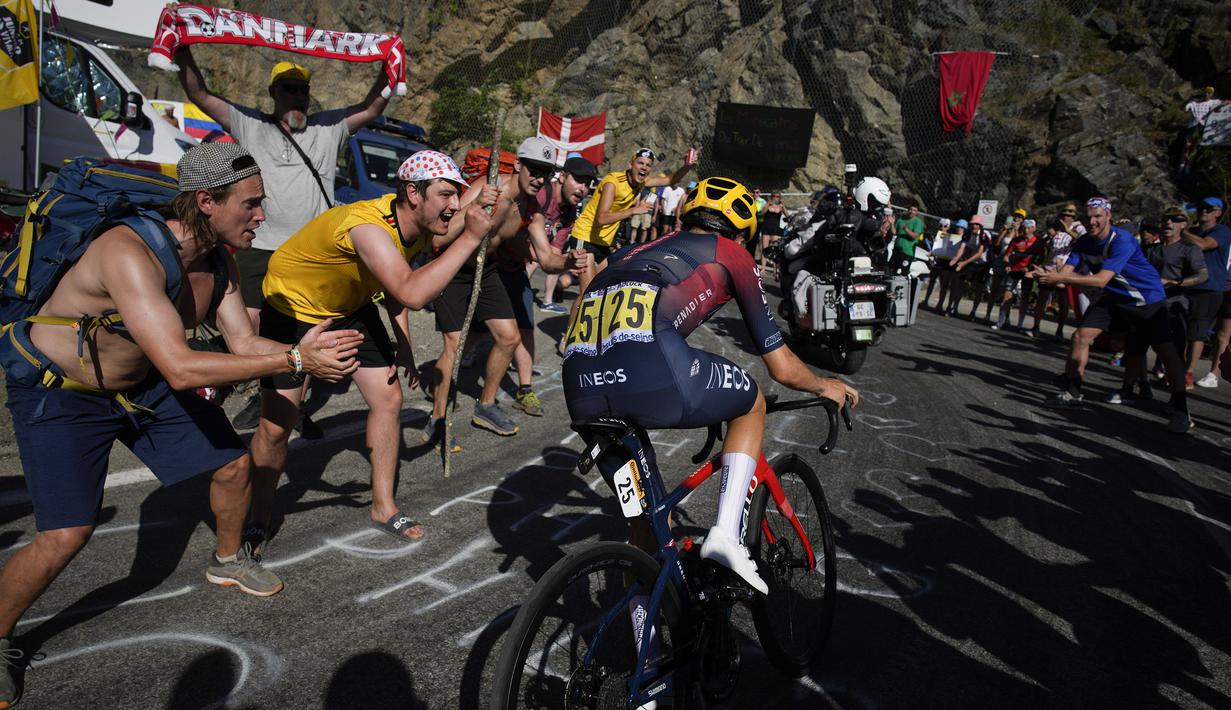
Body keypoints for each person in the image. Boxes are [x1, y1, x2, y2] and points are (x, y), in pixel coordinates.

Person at [0, 143, 367, 705]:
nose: (261, 215)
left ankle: (228, 561)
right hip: (64, 393)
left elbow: (242, 343)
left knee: (233, 466)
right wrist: (296, 360)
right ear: (206, 202)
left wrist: (306, 351)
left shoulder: (218, 261)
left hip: (140, 385)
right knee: (65, 534)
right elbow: (181, 366)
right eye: (250, 203)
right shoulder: (128, 251)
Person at [563, 176, 859, 596]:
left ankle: (644, 636)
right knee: (751, 402)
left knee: (649, 530)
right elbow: (781, 367)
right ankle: (727, 536)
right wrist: (822, 385)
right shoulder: (732, 252)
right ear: (741, 233)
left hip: (581, 384)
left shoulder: (630, 251)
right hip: (655, 373)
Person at [249, 150, 498, 549]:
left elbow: (393, 286)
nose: (454, 205)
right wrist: (470, 237)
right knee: (277, 426)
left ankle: (383, 506)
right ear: (413, 193)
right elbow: (411, 292)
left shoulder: (415, 225)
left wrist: (404, 346)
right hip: (293, 309)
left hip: (348, 307)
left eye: (458, 195)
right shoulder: (368, 227)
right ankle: (257, 517)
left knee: (389, 399)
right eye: (446, 194)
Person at [177, 49, 393, 431]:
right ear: (273, 92)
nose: (297, 97)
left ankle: (287, 404)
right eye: (289, 89)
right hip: (258, 244)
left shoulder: (328, 127)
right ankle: (255, 389)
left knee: (306, 326)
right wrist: (182, 51)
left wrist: (390, 66)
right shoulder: (250, 123)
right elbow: (200, 94)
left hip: (311, 254)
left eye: (303, 90)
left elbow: (373, 106)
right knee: (248, 323)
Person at [426, 138, 588, 447]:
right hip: (453, 267)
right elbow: (439, 238)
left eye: (546, 173)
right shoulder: (488, 187)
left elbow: (546, 260)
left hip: (487, 270)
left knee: (509, 337)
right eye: (534, 170)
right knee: (455, 344)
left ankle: (485, 406)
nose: (539, 179)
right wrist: (475, 205)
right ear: (518, 165)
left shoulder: (531, 209)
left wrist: (568, 261)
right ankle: (437, 419)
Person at [1033, 198, 1192, 433]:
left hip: (1145, 298)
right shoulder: (1084, 242)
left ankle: (1181, 409)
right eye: (1088, 217)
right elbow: (1065, 275)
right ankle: (1072, 393)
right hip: (1113, 295)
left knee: (1165, 351)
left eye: (1098, 216)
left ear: (1109, 216)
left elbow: (1100, 279)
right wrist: (1047, 274)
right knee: (1080, 336)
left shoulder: (1122, 240)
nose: (1092, 221)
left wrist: (1061, 278)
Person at [1108, 208, 1207, 403]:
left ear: (1183, 224)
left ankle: (1177, 401)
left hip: (1173, 306)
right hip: (1146, 305)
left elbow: (1203, 275)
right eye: (1165, 219)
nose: (1168, 222)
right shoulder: (1151, 249)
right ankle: (1129, 389)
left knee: (1174, 354)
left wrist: (1175, 282)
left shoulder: (1189, 249)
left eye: (1175, 219)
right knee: (1136, 348)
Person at [569, 148, 695, 262]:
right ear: (630, 165)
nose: (644, 167)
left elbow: (670, 180)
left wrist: (686, 166)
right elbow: (602, 218)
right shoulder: (613, 182)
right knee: (589, 280)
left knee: (607, 277)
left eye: (648, 165)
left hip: (604, 241)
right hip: (585, 235)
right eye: (640, 163)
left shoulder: (642, 182)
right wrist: (634, 210)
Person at [538, 157, 599, 314]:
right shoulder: (542, 195)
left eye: (587, 184)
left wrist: (568, 261)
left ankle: (548, 301)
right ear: (562, 176)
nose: (583, 188)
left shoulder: (570, 212)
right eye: (578, 180)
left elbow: (554, 252)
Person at [1184, 197, 1231, 388]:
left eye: (1209, 208)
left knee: (1220, 334)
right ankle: (1180, 369)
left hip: (1219, 286)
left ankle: (1213, 374)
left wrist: (1183, 231)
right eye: (1201, 207)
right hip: (1200, 285)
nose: (1203, 211)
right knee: (1191, 329)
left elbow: (1204, 244)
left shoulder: (1222, 231)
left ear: (1218, 212)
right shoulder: (1194, 231)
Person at [1029, 219, 1075, 338]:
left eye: (1049, 229)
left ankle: (1059, 330)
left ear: (1055, 229)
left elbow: (1060, 256)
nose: (1048, 231)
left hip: (1061, 272)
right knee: (1042, 298)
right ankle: (1036, 327)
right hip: (1049, 269)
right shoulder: (1049, 237)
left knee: (1062, 302)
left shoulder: (1064, 237)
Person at [993, 219, 1041, 331]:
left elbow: (1041, 258)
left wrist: (1030, 268)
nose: (1026, 230)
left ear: (1034, 228)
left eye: (1029, 228)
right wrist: (1008, 264)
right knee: (1006, 295)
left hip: (1027, 273)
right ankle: (1000, 322)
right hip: (1014, 270)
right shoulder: (1016, 240)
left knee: (1025, 297)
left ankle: (1020, 325)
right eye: (1024, 227)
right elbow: (1006, 255)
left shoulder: (1038, 242)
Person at [948, 219, 989, 317]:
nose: (974, 226)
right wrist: (956, 258)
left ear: (980, 226)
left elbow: (979, 253)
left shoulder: (984, 235)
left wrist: (963, 263)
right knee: (961, 282)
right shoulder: (967, 233)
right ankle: (955, 306)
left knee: (978, 287)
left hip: (982, 263)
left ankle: (973, 311)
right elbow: (962, 248)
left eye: (976, 224)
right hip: (970, 261)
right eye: (972, 224)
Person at [1182, 87, 1223, 171]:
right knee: (1187, 145)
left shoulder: (1214, 102)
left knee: (1195, 146)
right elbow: (1185, 108)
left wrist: (1225, 103)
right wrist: (1189, 101)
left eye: (1209, 93)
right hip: (1192, 126)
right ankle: (1182, 164)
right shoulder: (1195, 102)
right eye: (1206, 92)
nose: (1207, 94)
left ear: (1212, 94)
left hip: (1202, 126)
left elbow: (1223, 103)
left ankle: (1188, 166)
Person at [759, 191, 787, 277]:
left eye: (778, 196)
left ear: (780, 198)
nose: (776, 198)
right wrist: (767, 205)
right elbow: (762, 213)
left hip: (775, 229)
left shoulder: (781, 206)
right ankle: (763, 268)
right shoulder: (768, 205)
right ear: (772, 197)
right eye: (774, 196)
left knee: (775, 250)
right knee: (765, 249)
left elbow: (787, 215)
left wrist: (783, 206)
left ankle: (775, 270)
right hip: (766, 228)